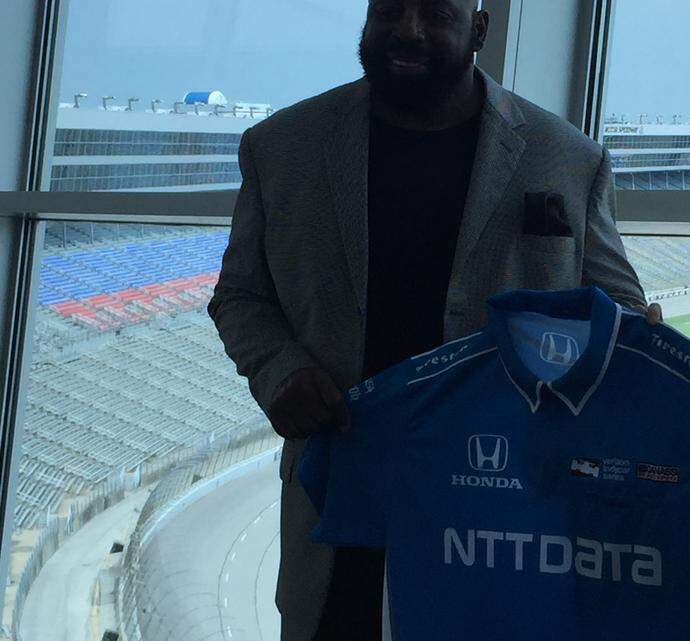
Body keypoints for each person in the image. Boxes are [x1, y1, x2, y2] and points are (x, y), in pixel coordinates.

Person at [207, 1, 648, 639]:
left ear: (479, 28)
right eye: (390, 8)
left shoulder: (566, 159)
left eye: (436, 13)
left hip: (503, 517)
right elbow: (241, 294)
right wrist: (280, 369)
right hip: (341, 508)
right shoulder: (281, 148)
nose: (408, 29)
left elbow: (620, 311)